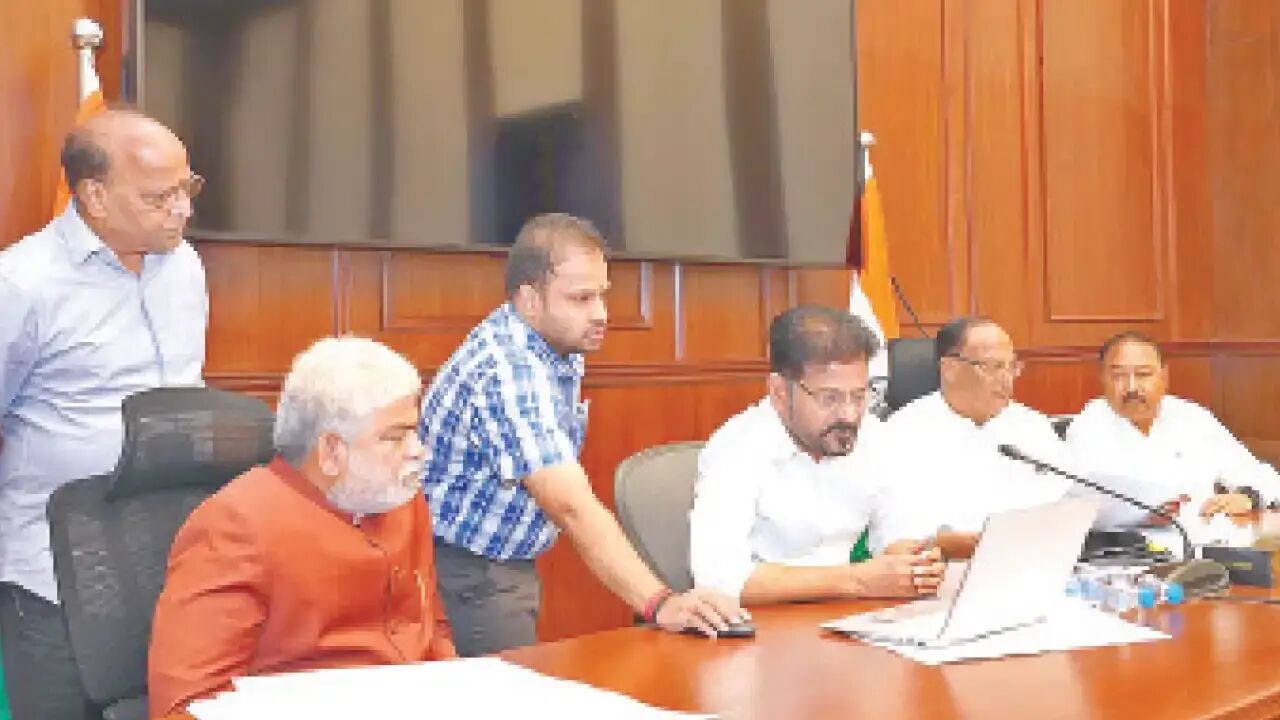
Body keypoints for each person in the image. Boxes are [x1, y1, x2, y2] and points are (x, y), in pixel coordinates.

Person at [418, 213, 745, 656]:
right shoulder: (509, 371)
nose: (601, 314)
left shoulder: (553, 341)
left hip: (498, 562)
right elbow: (571, 507)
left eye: (602, 295)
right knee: (505, 691)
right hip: (469, 574)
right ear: (529, 299)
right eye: (581, 298)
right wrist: (660, 603)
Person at [0, 108, 208, 720]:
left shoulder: (185, 267)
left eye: (187, 188)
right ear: (93, 195)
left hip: (166, 561)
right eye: (159, 197)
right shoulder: (23, 283)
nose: (182, 210)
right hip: (56, 575)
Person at [149, 337, 456, 716]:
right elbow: (186, 705)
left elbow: (432, 632)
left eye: (414, 432)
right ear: (330, 452)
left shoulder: (402, 501)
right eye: (394, 437)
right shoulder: (237, 526)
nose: (417, 450)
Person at [689, 306, 943, 605]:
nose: (849, 414)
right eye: (829, 398)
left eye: (859, 395)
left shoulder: (875, 435)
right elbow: (718, 578)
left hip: (851, 614)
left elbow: (897, 536)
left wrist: (913, 564)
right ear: (779, 392)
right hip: (766, 621)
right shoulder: (737, 448)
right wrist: (857, 580)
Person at [867, 316, 1073, 556]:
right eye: (993, 366)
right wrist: (954, 545)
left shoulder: (1032, 425)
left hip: (1035, 559)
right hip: (944, 569)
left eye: (1012, 367)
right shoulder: (902, 435)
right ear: (950, 368)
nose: (1006, 378)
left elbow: (1067, 503)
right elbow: (894, 541)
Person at [1066, 331, 1280, 528]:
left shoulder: (1191, 416)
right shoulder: (1090, 426)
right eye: (1118, 376)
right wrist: (1144, 514)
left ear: (1163, 376)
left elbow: (1260, 475)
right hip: (1131, 547)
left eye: (1143, 374)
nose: (1131, 388)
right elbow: (1084, 507)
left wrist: (1247, 496)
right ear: (1102, 379)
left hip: (1205, 539)